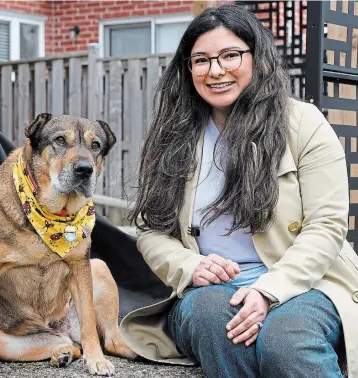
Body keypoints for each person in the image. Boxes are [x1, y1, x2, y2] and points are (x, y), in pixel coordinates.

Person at [121, 4, 358, 378]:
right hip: (211, 292)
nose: (215, 71)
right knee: (215, 320)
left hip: (306, 283)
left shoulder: (302, 123)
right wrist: (191, 265)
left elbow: (326, 225)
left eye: (230, 55)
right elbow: (151, 230)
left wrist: (268, 290)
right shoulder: (173, 137)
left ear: (256, 56)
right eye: (201, 60)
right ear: (188, 69)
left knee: (287, 339)